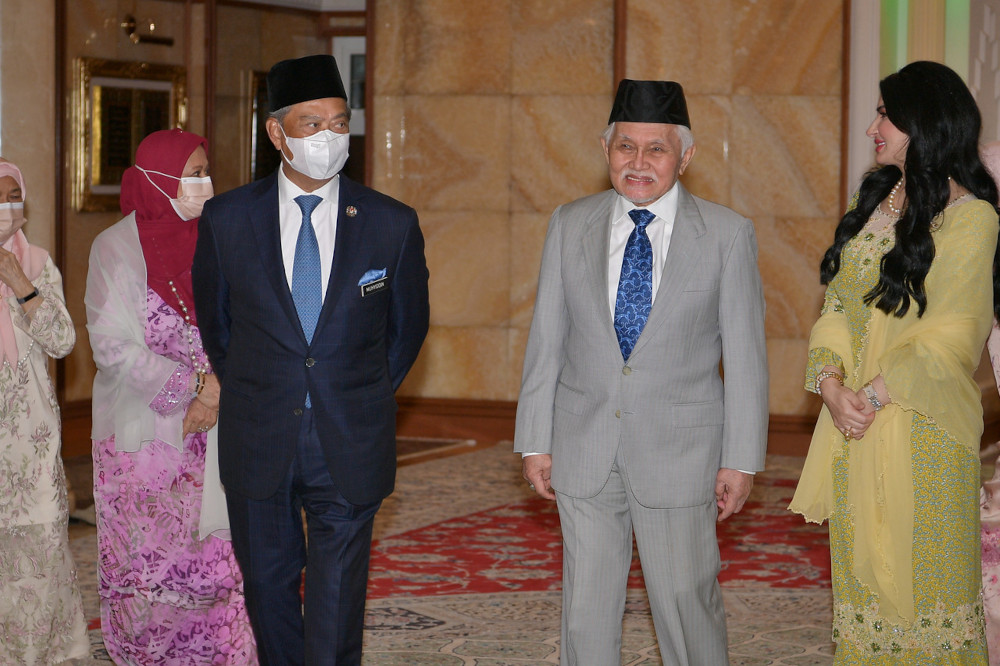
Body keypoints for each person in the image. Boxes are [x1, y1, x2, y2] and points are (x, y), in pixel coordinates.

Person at [514, 79, 768, 664]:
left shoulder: (727, 235)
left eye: (656, 148)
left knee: (686, 602)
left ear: (686, 156)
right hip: (584, 443)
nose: (639, 162)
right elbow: (546, 339)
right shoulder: (569, 223)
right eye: (626, 146)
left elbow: (748, 358)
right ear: (605, 149)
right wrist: (534, 438)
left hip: (682, 453)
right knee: (586, 609)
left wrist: (740, 457)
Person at [191, 54, 430, 665]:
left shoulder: (390, 223)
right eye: (310, 125)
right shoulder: (226, 219)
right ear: (276, 134)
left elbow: (407, 329)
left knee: (336, 596)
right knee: (267, 589)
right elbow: (218, 326)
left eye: (337, 122)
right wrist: (261, 385)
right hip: (259, 433)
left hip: (347, 437)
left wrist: (360, 391)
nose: (328, 137)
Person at [790, 61, 1000, 663]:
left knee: (927, 598)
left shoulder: (972, 218)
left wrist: (872, 398)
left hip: (924, 435)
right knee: (863, 597)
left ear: (924, 122)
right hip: (855, 426)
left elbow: (952, 336)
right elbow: (835, 303)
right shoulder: (876, 197)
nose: (872, 127)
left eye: (885, 113)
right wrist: (831, 387)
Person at [86, 129, 258, 664]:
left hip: (224, 432)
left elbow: (255, 322)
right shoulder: (114, 247)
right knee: (151, 575)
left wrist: (218, 391)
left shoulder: (228, 238)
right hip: (146, 444)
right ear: (157, 180)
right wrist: (193, 388)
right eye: (192, 173)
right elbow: (110, 344)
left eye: (206, 171)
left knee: (224, 570)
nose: (204, 183)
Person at [0, 160, 88, 664]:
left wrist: (21, 284)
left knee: (37, 552)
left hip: (31, 436)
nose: (8, 207)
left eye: (15, 196)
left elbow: (62, 341)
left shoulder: (36, 262)